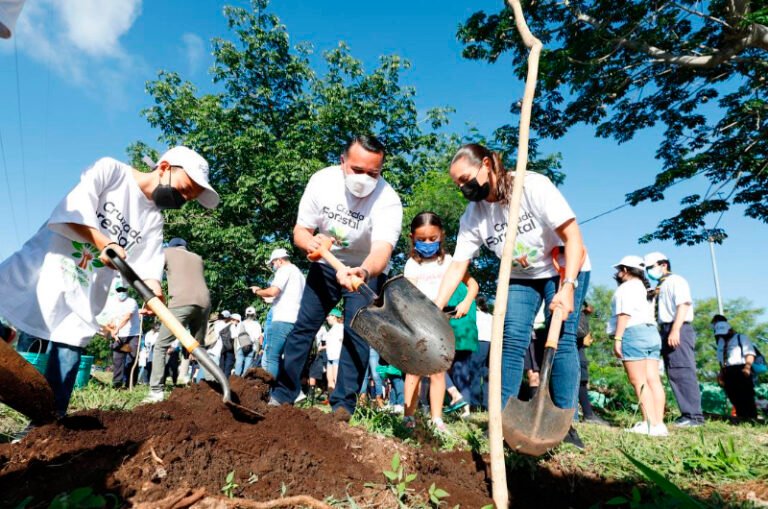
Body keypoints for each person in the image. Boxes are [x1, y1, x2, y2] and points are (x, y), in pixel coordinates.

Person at [0, 146, 218, 417]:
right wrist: (103, 241)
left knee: (67, 354)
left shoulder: (153, 220)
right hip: (44, 270)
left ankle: (43, 428)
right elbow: (71, 210)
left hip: (83, 295)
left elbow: (148, 266)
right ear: (164, 168)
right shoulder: (112, 172)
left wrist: (154, 290)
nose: (182, 199)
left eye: (189, 198)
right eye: (184, 190)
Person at [434, 143, 590, 448]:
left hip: (563, 266)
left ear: (487, 164)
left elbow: (573, 237)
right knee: (512, 340)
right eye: (458, 184)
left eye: (466, 179)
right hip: (521, 277)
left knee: (562, 338)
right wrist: (435, 307)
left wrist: (568, 286)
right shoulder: (474, 215)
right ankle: (502, 420)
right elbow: (457, 266)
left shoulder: (532, 186)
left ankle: (564, 423)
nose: (463, 188)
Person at [269, 135, 403, 419]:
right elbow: (301, 231)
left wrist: (363, 272)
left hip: (365, 272)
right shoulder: (322, 182)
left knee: (357, 336)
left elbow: (382, 250)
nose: (364, 178)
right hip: (325, 266)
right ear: (343, 161)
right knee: (303, 328)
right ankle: (282, 395)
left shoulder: (388, 200)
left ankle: (343, 406)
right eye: (357, 169)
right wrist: (311, 243)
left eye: (373, 173)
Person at [403, 211, 478, 432]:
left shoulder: (450, 262)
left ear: (441, 236)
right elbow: (408, 297)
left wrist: (466, 302)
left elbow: (472, 285)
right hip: (418, 323)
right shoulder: (411, 265)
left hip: (442, 323)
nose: (427, 243)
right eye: (422, 239)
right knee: (414, 371)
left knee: (438, 371)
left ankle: (437, 419)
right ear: (412, 238)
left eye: (432, 238)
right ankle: (408, 416)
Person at [145, 237, 212, 402]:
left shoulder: (165, 252)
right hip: (205, 303)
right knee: (199, 348)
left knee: (161, 345)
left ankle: (156, 391)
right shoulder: (197, 258)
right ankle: (214, 387)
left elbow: (153, 276)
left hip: (182, 302)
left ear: (171, 246)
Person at [644, 251, 704, 427]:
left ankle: (694, 416)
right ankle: (686, 414)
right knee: (673, 372)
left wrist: (675, 330)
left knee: (682, 370)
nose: (648, 271)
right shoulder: (660, 286)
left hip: (677, 327)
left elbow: (683, 304)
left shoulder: (676, 280)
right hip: (664, 328)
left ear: (663, 265)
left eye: (650, 267)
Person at [609, 256, 667, 436]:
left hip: (633, 333)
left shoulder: (625, 288)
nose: (618, 273)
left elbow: (624, 314)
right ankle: (658, 424)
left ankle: (648, 423)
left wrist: (618, 338)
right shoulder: (643, 287)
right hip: (651, 333)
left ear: (625, 270)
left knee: (638, 381)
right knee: (653, 380)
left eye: (619, 269)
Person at [251, 248, 306, 378]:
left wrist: (258, 291)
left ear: (280, 260)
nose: (273, 266)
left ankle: (269, 389)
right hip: (296, 319)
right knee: (288, 359)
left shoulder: (284, 270)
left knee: (272, 356)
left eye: (273, 263)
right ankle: (288, 389)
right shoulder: (299, 274)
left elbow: (273, 291)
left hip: (282, 319)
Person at [712, 315, 758, 421]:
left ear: (730, 329)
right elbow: (721, 359)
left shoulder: (741, 338)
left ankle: (752, 418)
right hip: (727, 370)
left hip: (741, 368)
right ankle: (741, 417)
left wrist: (747, 367)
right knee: (732, 394)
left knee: (746, 395)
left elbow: (750, 353)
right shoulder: (720, 341)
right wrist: (721, 373)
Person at [576, 301, 608, 425]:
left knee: (581, 378)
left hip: (578, 341)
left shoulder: (584, 308)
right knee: (580, 378)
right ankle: (587, 414)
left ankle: (586, 414)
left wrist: (588, 312)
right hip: (573, 341)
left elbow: (594, 312)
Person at [109, 286, 141, 388]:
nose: (121, 292)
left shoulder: (131, 302)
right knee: (117, 359)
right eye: (119, 291)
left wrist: (117, 328)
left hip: (132, 335)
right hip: (119, 336)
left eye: (123, 290)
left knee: (131, 360)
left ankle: (130, 384)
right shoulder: (113, 304)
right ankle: (117, 383)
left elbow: (127, 316)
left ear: (127, 291)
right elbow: (112, 320)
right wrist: (113, 331)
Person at [470, 295, 492, 411]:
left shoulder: (475, 315)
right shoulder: (491, 317)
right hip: (491, 345)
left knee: (475, 373)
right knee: (487, 374)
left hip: (479, 343)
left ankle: (474, 403)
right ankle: (487, 404)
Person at [235, 306, 262, 376]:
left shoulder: (241, 324)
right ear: (254, 314)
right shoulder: (257, 325)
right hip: (251, 348)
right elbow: (257, 340)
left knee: (238, 367)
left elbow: (236, 338)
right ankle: (243, 380)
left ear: (246, 314)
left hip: (240, 347)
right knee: (246, 371)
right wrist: (257, 352)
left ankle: (235, 380)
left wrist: (235, 352)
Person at [324, 309, 344, 392]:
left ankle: (339, 398)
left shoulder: (341, 327)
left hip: (337, 357)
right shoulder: (331, 329)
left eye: (328, 316)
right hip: (330, 357)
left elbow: (344, 341)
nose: (327, 318)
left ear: (334, 316)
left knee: (337, 380)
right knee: (330, 381)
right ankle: (332, 398)